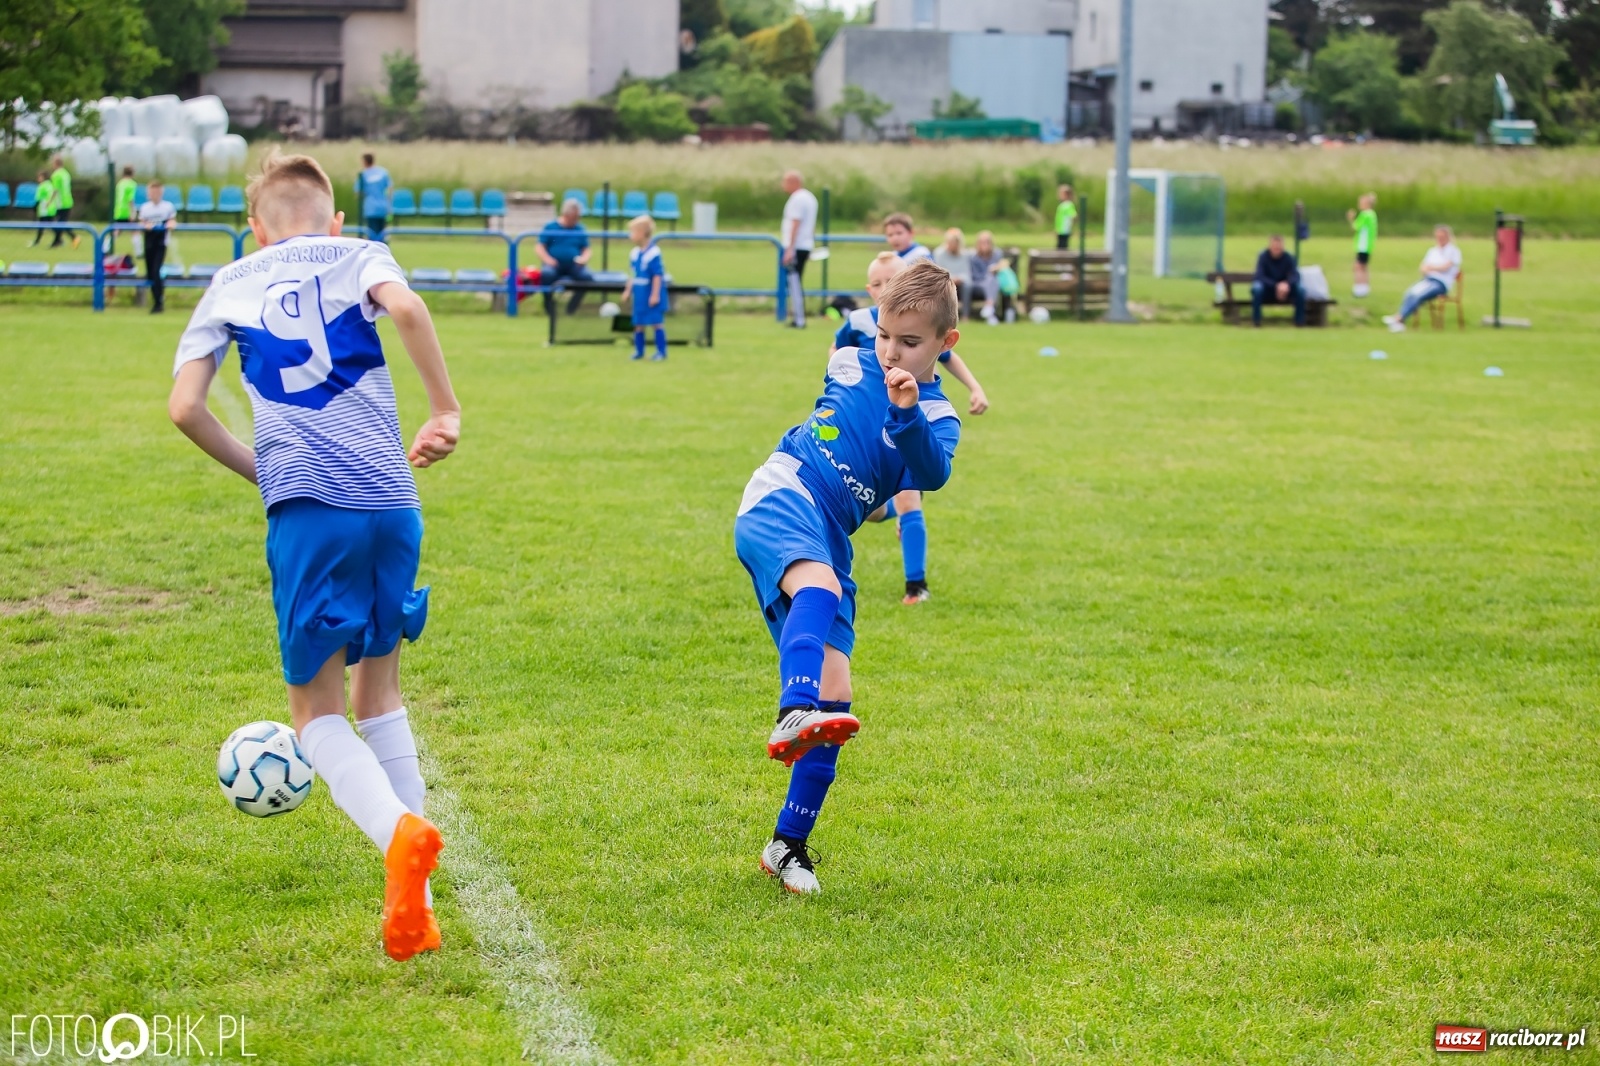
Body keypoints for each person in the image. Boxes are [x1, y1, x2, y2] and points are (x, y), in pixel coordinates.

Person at [167, 152, 461, 962]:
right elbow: (406, 309)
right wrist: (443, 407)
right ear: (333, 220)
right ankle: (420, 904)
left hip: (310, 511)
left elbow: (185, 407)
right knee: (382, 689)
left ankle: (401, 837)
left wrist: (265, 469)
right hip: (392, 498)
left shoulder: (232, 279)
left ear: (254, 228)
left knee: (316, 714)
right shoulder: (358, 251)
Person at [734, 260, 962, 894]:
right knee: (820, 594)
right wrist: (886, 382)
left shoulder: (938, 416)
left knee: (838, 700)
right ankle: (790, 710)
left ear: (947, 344)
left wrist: (908, 412)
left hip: (829, 534)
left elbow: (930, 470)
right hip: (783, 491)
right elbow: (841, 413)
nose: (890, 350)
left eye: (910, 342)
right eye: (886, 334)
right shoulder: (848, 362)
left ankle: (788, 845)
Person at [836, 255, 989, 605]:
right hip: (863, 426)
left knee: (908, 496)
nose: (885, 289)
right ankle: (887, 510)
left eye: (892, 280)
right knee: (871, 508)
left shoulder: (919, 327)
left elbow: (947, 357)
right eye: (878, 284)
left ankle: (915, 585)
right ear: (869, 288)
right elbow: (837, 351)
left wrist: (974, 388)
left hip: (903, 420)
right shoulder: (858, 321)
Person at [1383, 226, 1463, 334]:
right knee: (1410, 292)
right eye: (1438, 237)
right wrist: (1428, 268)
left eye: (1442, 236)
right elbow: (1423, 267)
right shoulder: (1433, 251)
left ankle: (1400, 320)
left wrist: (1432, 267)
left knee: (1418, 295)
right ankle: (1399, 318)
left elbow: (1446, 267)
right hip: (1428, 279)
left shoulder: (1453, 251)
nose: (1440, 239)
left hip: (1441, 283)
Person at [535, 198, 595, 316]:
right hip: (553, 264)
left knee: (587, 278)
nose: (576, 220)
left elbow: (586, 249)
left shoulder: (579, 228)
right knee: (547, 274)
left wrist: (584, 259)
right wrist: (548, 260)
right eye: (574, 217)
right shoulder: (551, 227)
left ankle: (571, 308)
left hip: (574, 265)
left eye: (577, 217)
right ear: (565, 214)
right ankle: (549, 305)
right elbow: (540, 246)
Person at [624, 214, 667, 361]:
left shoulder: (654, 253)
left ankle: (661, 352)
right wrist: (628, 290)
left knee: (656, 322)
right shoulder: (634, 253)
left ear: (642, 233)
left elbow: (657, 275)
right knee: (638, 323)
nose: (631, 236)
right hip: (639, 294)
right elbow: (632, 274)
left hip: (650, 293)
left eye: (633, 232)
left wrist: (655, 295)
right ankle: (639, 351)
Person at [780, 170, 818, 329]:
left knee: (794, 282)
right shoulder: (810, 197)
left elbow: (796, 223)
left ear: (794, 182)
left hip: (796, 247)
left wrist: (789, 249)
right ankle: (798, 317)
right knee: (796, 281)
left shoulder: (797, 199)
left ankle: (799, 319)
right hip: (805, 245)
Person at [138, 179, 178, 314]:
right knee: (150, 273)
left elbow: (172, 221)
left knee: (156, 271)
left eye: (157, 191)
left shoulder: (167, 207)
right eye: (152, 191)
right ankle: (156, 298)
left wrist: (171, 224)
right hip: (149, 241)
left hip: (161, 242)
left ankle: (158, 303)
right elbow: (141, 223)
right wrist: (145, 226)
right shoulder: (145, 208)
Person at [1250, 234, 1305, 327]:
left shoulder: (1289, 258)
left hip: (1287, 290)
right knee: (1257, 289)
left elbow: (1295, 275)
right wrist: (1276, 285)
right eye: (1275, 247)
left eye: (1279, 248)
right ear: (1270, 246)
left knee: (1300, 290)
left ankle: (1299, 321)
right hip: (1268, 289)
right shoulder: (1263, 257)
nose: (1277, 250)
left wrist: (1287, 284)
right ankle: (1257, 321)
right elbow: (1260, 276)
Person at [931, 228, 970, 316]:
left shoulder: (965, 255)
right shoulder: (939, 253)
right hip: (946, 280)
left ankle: (966, 315)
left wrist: (959, 279)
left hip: (961, 281)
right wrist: (951, 278)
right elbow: (939, 271)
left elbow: (967, 273)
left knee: (968, 286)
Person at [1347, 192, 1378, 298]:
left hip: (1362, 245)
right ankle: (1365, 288)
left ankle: (1359, 289)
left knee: (1358, 267)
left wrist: (1351, 218)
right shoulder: (1372, 214)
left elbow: (1356, 227)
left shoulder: (1365, 214)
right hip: (1368, 245)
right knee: (1364, 267)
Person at [355, 153, 392, 241]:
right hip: (383, 206)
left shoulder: (363, 174)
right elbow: (390, 189)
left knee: (372, 234)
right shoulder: (383, 172)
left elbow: (358, 192)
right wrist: (389, 204)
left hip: (371, 207)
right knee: (382, 233)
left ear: (364, 161)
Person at [969, 230, 1003, 322]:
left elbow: (1001, 268)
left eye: (987, 242)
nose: (985, 245)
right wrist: (988, 273)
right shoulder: (973, 257)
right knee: (990, 279)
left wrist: (996, 269)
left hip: (993, 283)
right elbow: (975, 275)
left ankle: (989, 309)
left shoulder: (997, 254)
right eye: (982, 242)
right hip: (977, 283)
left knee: (992, 280)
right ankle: (990, 308)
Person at [48, 154, 78, 249]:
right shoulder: (66, 173)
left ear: (55, 164)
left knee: (59, 223)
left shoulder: (56, 175)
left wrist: (49, 201)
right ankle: (57, 241)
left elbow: (55, 190)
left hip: (60, 202)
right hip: (68, 200)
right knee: (61, 222)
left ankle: (74, 237)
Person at [109, 166, 138, 255]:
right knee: (135, 231)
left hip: (118, 210)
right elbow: (130, 199)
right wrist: (132, 212)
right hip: (127, 211)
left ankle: (105, 247)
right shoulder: (132, 184)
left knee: (117, 231)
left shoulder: (120, 183)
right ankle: (139, 251)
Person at [29, 169, 58, 247]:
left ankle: (37, 242)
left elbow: (38, 198)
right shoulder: (50, 184)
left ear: (43, 177)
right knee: (49, 225)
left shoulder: (41, 186)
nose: (38, 178)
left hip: (44, 208)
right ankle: (57, 238)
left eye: (39, 177)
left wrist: (34, 207)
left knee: (42, 226)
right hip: (51, 208)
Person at [1054, 184, 1078, 251]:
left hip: (1065, 230)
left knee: (1062, 247)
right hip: (1060, 230)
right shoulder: (1063, 205)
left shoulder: (1068, 205)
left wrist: (1071, 224)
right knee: (1060, 246)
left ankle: (1062, 260)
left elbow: (1073, 215)